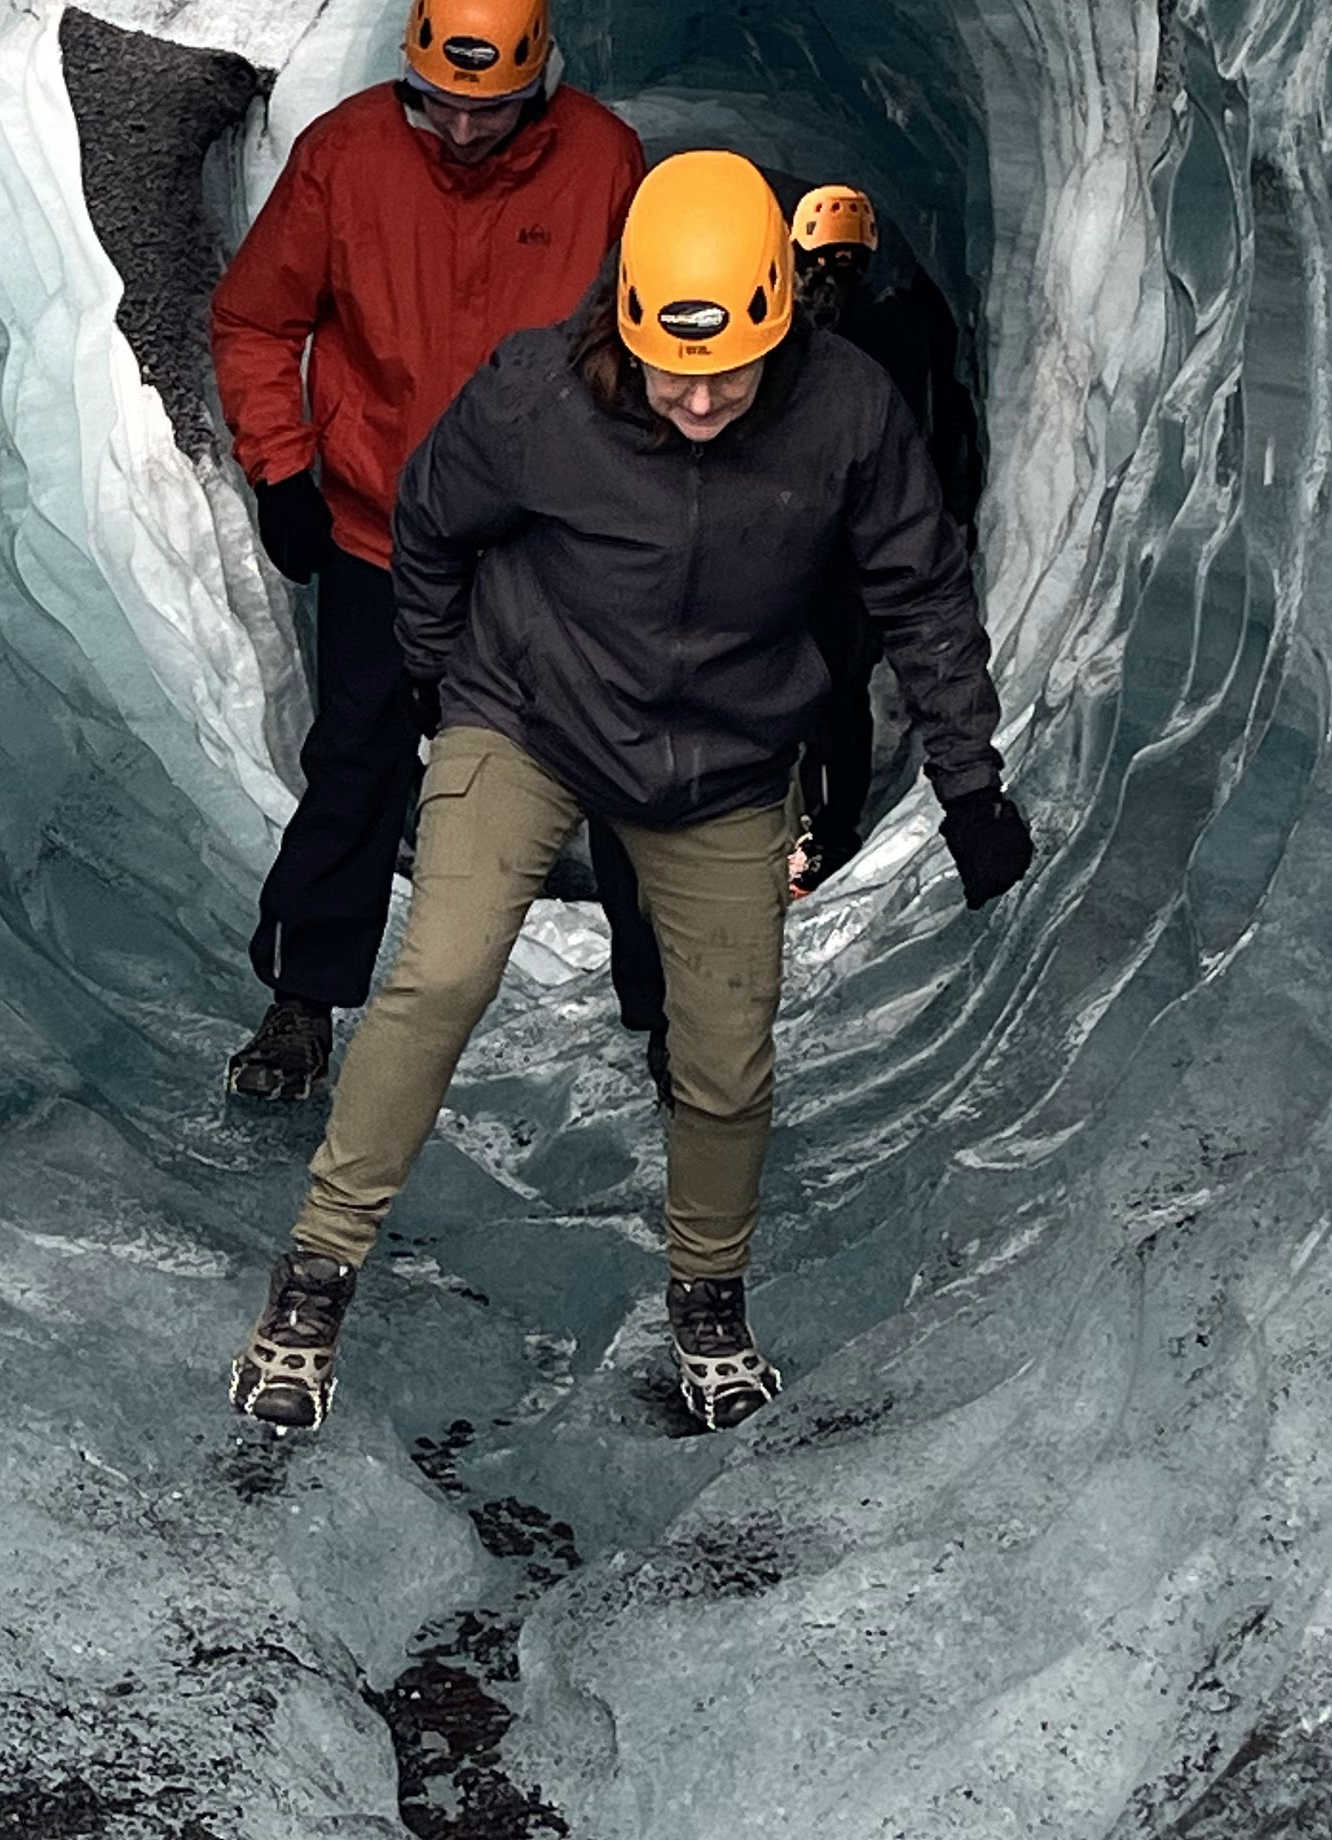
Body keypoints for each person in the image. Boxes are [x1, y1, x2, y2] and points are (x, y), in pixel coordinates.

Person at [221, 150, 1035, 1437]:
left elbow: (919, 589)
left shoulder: (849, 414)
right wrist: (438, 679)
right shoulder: (539, 395)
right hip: (527, 718)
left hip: (722, 759)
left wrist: (969, 781)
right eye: (671, 369)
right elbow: (429, 515)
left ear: (780, 320)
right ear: (623, 319)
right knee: (439, 974)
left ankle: (707, 1299)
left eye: (727, 373)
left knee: (722, 1054)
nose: (699, 402)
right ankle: (316, 1277)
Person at [205, 0, 655, 1101]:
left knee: (623, 769)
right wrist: (282, 467)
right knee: (354, 764)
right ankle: (302, 1005)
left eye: (491, 107)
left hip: (544, 550)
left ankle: (666, 1016)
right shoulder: (344, 157)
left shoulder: (606, 163)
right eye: (439, 101)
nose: (460, 129)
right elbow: (257, 320)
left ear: (541, 77)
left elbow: (644, 348)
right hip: (379, 535)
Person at [782, 181, 988, 893]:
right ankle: (823, 829)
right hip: (852, 544)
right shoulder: (891, 327)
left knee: (820, 692)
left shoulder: (819, 337)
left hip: (831, 546)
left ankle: (818, 832)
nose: (831, 277)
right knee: (832, 691)